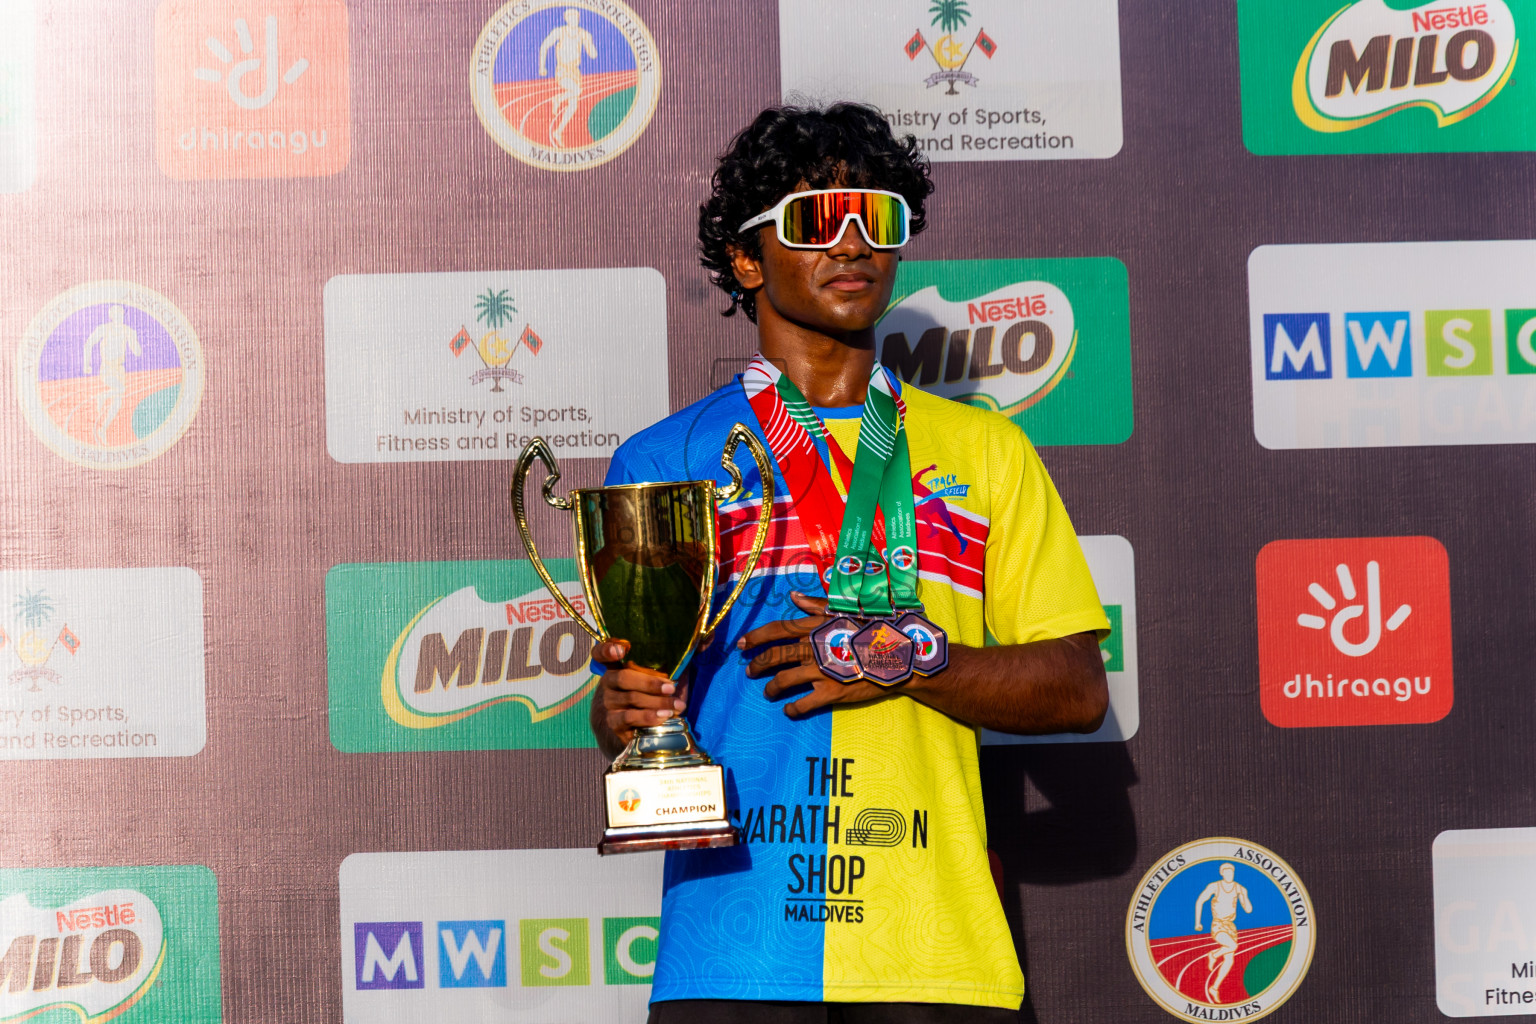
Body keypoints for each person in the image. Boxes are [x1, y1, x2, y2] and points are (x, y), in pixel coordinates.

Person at [592, 103, 1111, 1023]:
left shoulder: (985, 451)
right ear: (747, 259)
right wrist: (623, 712)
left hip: (933, 949)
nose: (852, 244)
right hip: (734, 948)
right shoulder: (663, 461)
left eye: (876, 218)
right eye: (814, 221)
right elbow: (637, 705)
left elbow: (1076, 689)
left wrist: (910, 658)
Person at [82, 304, 140, 444]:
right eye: (115, 314)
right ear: (111, 315)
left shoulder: (128, 330)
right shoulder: (104, 329)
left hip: (120, 369)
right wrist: (86, 364)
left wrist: (134, 339)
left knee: (118, 400)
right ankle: (102, 396)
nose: (118, 316)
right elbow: (88, 343)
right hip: (107, 367)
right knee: (120, 390)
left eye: (121, 314)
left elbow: (137, 352)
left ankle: (104, 428)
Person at [1194, 863, 1252, 1003]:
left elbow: (1249, 910)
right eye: (1226, 872)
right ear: (1222, 873)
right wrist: (1197, 922)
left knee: (1229, 960)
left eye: (1231, 872)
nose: (1229, 875)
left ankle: (1214, 988)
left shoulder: (1239, 888)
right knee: (1232, 946)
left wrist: (1244, 895)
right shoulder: (1214, 886)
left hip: (1231, 927)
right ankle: (1213, 954)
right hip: (1218, 924)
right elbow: (1200, 901)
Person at [537, 8, 595, 148]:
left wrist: (590, 42)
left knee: (573, 105)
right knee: (576, 90)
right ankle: (558, 99)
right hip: (562, 69)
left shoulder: (583, 34)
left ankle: (559, 130)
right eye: (571, 17)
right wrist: (542, 66)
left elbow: (592, 54)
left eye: (576, 17)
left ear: (579, 19)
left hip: (575, 71)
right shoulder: (560, 32)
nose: (574, 20)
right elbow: (544, 46)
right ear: (566, 19)